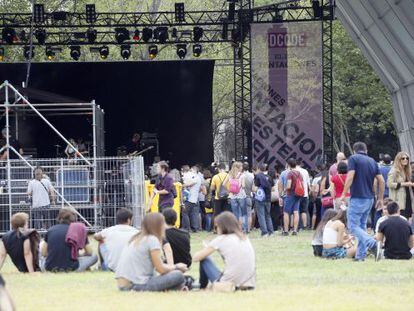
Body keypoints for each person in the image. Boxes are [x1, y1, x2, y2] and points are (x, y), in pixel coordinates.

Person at [115, 213, 187, 292]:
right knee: (178, 275)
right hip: (136, 285)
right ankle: (180, 287)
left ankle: (177, 287)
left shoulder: (136, 238)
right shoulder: (152, 239)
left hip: (123, 284)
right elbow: (160, 269)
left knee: (173, 276)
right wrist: (176, 267)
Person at [340, 142, 384, 261]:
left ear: (354, 150)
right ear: (366, 150)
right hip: (370, 198)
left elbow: (350, 176)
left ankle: (374, 244)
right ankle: (360, 256)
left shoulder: (353, 159)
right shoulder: (372, 161)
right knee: (362, 227)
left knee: (352, 226)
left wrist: (343, 193)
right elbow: (381, 181)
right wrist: (380, 198)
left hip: (358, 197)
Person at [193, 212, 256, 290]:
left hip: (228, 284)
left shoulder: (221, 239)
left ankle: (202, 286)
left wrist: (205, 248)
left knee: (205, 259)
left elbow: (196, 258)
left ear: (222, 226)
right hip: (249, 283)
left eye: (216, 227)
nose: (216, 230)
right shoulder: (244, 238)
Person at [387, 152, 414, 220]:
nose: (405, 160)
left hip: (407, 198)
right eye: (403, 158)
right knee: (400, 218)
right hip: (398, 199)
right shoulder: (394, 170)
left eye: (407, 158)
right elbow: (389, 184)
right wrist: (405, 184)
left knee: (407, 218)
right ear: (398, 159)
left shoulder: (407, 170)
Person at [253, 164, 274, 237]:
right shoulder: (269, 177)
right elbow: (273, 189)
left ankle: (264, 232)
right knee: (268, 215)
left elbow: (255, 189)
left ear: (259, 168)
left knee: (261, 215)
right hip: (268, 199)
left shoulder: (258, 176)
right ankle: (271, 232)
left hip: (260, 199)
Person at [283, 158, 302, 236]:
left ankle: (286, 231)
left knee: (286, 212)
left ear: (289, 164)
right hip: (298, 194)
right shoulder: (299, 173)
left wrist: (284, 190)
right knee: (296, 212)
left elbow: (288, 185)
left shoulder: (290, 173)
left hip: (290, 194)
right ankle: (295, 230)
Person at [227, 161, 247, 232]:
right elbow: (244, 186)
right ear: (239, 167)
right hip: (241, 196)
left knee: (235, 214)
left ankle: (237, 229)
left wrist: (229, 190)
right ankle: (244, 229)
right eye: (241, 166)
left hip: (233, 196)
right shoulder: (242, 175)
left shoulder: (230, 175)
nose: (242, 168)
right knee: (243, 213)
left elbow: (224, 184)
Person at [182, 165, 201, 232]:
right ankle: (194, 228)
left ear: (194, 171)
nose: (190, 172)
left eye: (191, 170)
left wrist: (182, 185)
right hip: (193, 198)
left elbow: (190, 183)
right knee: (193, 214)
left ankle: (187, 228)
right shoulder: (196, 177)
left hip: (191, 198)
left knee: (185, 212)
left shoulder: (196, 178)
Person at [297, 160, 311, 229]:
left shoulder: (293, 171)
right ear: (300, 164)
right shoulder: (305, 171)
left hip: (296, 194)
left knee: (296, 211)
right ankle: (305, 226)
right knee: (304, 211)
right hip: (305, 194)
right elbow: (308, 183)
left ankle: (297, 226)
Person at [243, 162, 255, 232]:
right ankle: (248, 229)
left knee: (242, 214)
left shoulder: (240, 175)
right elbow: (253, 189)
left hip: (241, 197)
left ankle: (243, 229)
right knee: (249, 214)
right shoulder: (252, 175)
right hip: (249, 196)